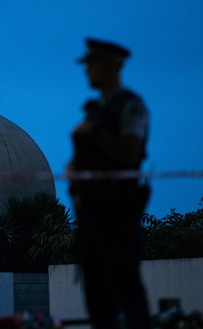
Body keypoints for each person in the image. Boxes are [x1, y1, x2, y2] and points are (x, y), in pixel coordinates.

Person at [67, 38, 151, 329]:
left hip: (118, 211)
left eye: (92, 64)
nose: (87, 71)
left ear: (111, 66)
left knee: (126, 286)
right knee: (97, 295)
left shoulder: (130, 107)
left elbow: (130, 152)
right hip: (91, 214)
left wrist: (94, 134)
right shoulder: (94, 111)